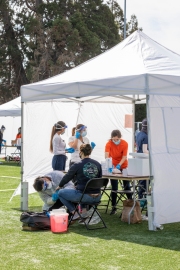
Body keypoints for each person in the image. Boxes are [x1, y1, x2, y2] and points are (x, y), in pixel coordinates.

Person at [56, 144, 102, 220]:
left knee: (60, 193)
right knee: (82, 189)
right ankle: (84, 213)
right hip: (98, 197)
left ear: (80, 152)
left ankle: (74, 212)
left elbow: (67, 177)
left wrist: (60, 185)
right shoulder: (98, 164)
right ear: (90, 152)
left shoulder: (77, 165)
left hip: (84, 196)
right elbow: (99, 179)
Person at [105, 129, 132, 215]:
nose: (115, 141)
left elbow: (124, 156)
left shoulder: (124, 143)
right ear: (111, 138)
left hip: (123, 165)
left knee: (127, 186)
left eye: (117, 139)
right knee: (114, 187)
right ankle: (114, 207)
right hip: (113, 166)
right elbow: (106, 156)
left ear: (120, 138)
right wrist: (110, 164)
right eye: (114, 139)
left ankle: (131, 204)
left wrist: (119, 165)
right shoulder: (109, 143)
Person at [136, 118, 149, 199]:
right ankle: (143, 198)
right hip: (145, 161)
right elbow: (145, 150)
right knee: (145, 182)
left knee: (141, 181)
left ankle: (140, 198)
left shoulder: (138, 134)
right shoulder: (146, 136)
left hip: (139, 160)